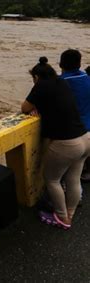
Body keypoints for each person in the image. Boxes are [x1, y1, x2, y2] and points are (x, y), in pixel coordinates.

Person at [22, 57, 90, 229]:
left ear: (36, 77)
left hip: (67, 143)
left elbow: (25, 108)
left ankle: (62, 218)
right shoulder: (62, 82)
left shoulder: (40, 86)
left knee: (52, 179)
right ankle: (70, 213)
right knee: (73, 178)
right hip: (85, 138)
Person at [59, 49, 90, 181]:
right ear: (79, 64)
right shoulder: (87, 79)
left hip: (71, 136)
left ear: (61, 64)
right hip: (88, 133)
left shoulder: (59, 82)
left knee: (57, 177)